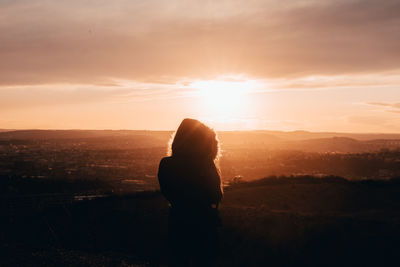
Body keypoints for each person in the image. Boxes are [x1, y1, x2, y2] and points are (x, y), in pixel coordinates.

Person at [158, 118, 223, 267]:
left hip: (177, 227)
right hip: (205, 229)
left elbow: (168, 193)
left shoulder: (166, 165)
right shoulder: (205, 165)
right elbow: (215, 196)